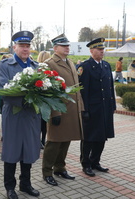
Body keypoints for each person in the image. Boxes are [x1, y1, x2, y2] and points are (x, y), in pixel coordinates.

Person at [0, 31, 40, 199]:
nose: (25, 48)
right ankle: (10, 187)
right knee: (11, 150)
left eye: (28, 46)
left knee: (28, 149)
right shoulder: (5, 65)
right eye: (22, 45)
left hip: (30, 115)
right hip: (13, 114)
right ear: (14, 47)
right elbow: (3, 88)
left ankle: (26, 184)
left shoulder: (36, 66)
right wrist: (23, 101)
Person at [42, 34, 84, 186]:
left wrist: (81, 108)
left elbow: (76, 89)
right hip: (59, 111)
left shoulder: (70, 62)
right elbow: (47, 92)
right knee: (53, 143)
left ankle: (60, 168)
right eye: (63, 46)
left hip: (72, 110)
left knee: (66, 141)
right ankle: (47, 172)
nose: (67, 47)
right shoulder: (49, 64)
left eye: (68, 45)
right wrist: (54, 113)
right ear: (55, 48)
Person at [77, 38, 116, 177]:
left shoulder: (106, 65)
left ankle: (95, 161)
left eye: (102, 49)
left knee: (101, 137)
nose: (102, 52)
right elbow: (82, 91)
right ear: (91, 50)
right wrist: (84, 110)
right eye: (99, 50)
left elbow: (110, 87)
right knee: (89, 137)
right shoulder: (85, 67)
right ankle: (86, 163)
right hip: (92, 109)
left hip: (104, 108)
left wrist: (113, 105)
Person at [36, 50, 51, 148]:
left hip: (38, 99)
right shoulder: (49, 69)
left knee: (38, 122)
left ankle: (38, 140)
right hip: (47, 99)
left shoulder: (36, 68)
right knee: (45, 122)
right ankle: (43, 140)